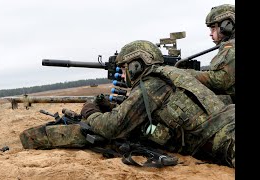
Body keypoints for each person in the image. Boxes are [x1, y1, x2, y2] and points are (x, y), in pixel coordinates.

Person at [20, 40, 235, 168]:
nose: (122, 74)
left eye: (124, 68)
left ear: (136, 66)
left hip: (226, 141)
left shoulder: (149, 87)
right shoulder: (171, 74)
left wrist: (91, 112)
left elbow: (111, 127)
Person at [185, 4, 235, 103]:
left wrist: (188, 74)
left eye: (213, 28)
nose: (211, 33)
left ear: (227, 26)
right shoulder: (228, 46)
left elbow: (221, 81)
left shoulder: (232, 48)